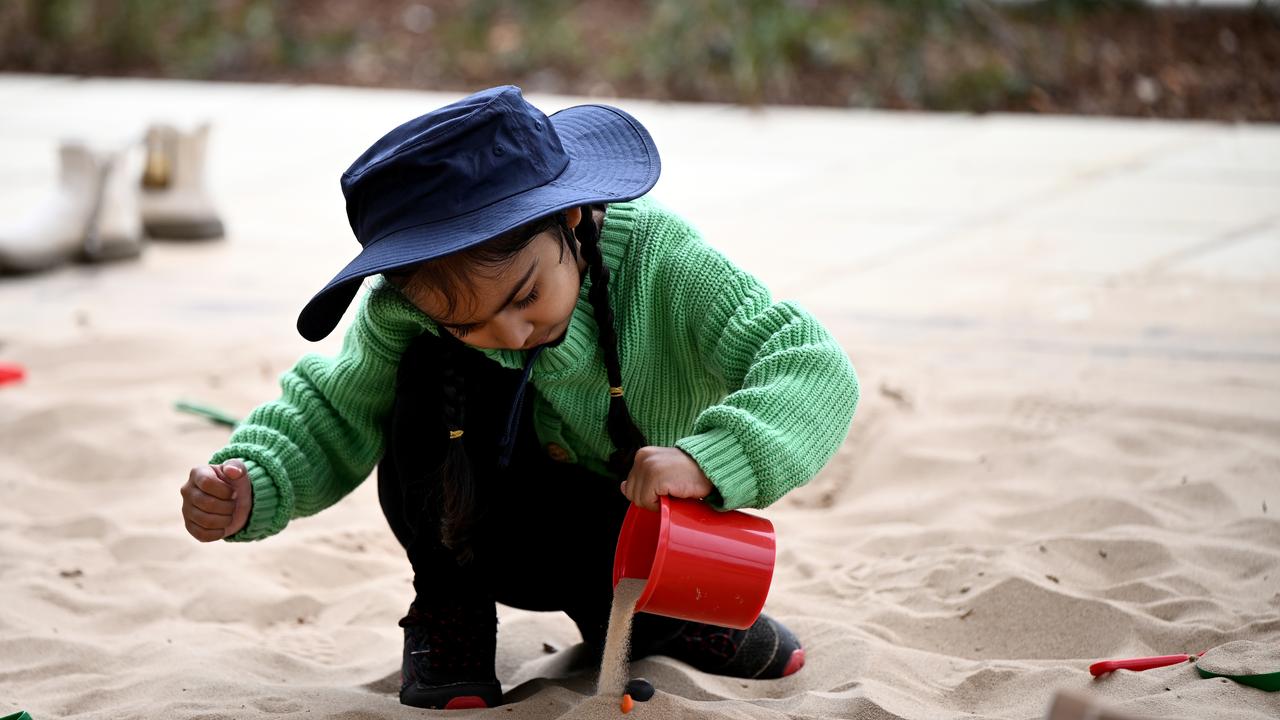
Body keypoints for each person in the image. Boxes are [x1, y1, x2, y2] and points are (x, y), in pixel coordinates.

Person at [178, 85, 859, 710]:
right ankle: (452, 614)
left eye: (526, 295)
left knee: (649, 605)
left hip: (640, 530)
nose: (509, 333)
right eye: (467, 322)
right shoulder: (406, 311)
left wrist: (711, 458)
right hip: (481, 529)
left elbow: (810, 363)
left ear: (571, 215)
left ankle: (666, 618)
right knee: (426, 369)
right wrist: (257, 479)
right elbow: (336, 405)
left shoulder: (664, 261)